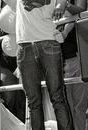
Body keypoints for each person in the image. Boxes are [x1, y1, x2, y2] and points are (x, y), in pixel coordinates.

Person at [16, 0, 74, 130]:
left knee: (56, 97)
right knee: (34, 101)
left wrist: (64, 34)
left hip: (47, 43)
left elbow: (70, 16)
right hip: (25, 46)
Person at [60, 0, 88, 130]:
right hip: (56, 60)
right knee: (65, 108)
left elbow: (82, 9)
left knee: (79, 107)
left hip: (77, 57)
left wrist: (65, 4)